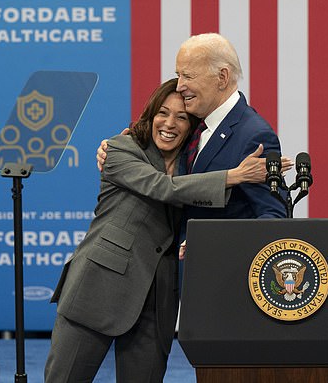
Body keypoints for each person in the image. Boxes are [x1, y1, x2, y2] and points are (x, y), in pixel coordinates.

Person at [44, 78, 271, 382]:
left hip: (158, 300)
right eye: (163, 113)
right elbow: (161, 187)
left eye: (182, 117)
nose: (170, 123)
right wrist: (232, 176)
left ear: (193, 127)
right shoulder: (121, 149)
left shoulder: (194, 165)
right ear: (150, 115)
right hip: (98, 287)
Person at [98, 33, 286, 251]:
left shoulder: (253, 135)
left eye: (188, 76)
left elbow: (274, 217)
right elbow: (163, 177)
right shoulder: (194, 126)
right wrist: (115, 149)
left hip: (220, 275)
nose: (179, 86)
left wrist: (217, 241)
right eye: (178, 75)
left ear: (222, 77)